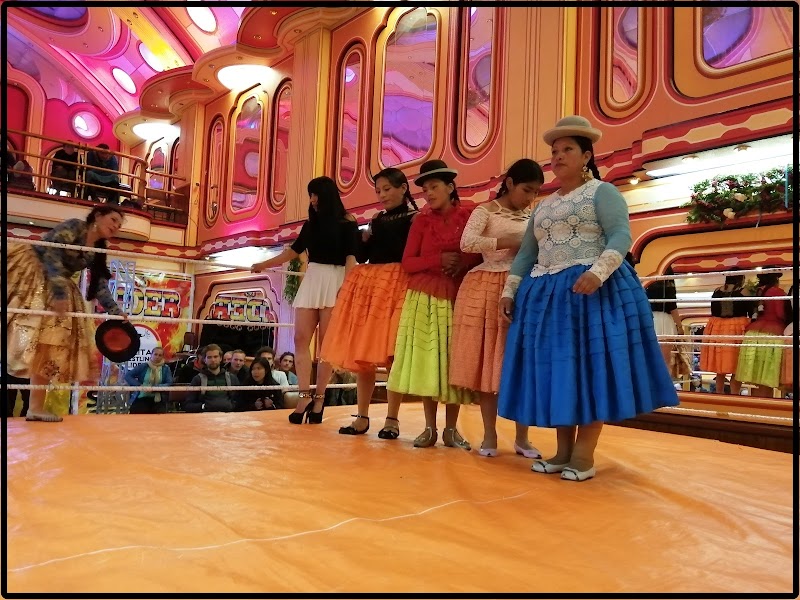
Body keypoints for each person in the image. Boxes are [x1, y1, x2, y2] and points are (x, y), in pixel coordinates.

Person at [497, 115, 678, 481]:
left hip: (593, 293)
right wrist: (509, 290)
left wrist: (597, 273)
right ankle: (562, 452)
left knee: (591, 370)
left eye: (567, 150)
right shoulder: (544, 206)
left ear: (586, 156)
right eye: (554, 151)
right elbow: (526, 254)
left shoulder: (603, 192)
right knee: (560, 370)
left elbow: (620, 236)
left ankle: (583, 455)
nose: (558, 156)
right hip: (547, 297)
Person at [450, 159, 544, 458]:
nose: (530, 197)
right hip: (486, 284)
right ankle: (489, 435)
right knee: (487, 364)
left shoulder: (533, 214)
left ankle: (522, 437)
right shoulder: (485, 210)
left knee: (520, 363)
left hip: (523, 285)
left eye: (535, 192)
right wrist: (505, 241)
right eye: (527, 190)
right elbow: (467, 243)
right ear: (511, 183)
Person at [386, 159, 481, 449]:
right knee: (428, 363)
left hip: (458, 296)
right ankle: (430, 427)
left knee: (454, 363)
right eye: (425, 189)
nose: (429, 193)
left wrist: (461, 262)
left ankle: (451, 428)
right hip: (425, 297)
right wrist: (438, 260)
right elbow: (408, 262)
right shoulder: (421, 222)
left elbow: (478, 253)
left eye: (434, 187)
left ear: (450, 187)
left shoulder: (469, 216)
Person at [319, 167, 418, 437]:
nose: (382, 195)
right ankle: (362, 416)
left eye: (387, 189)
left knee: (393, 356)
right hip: (372, 287)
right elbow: (363, 255)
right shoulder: (376, 219)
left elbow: (410, 253)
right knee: (364, 356)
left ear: (403, 188)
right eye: (378, 191)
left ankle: (392, 420)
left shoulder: (415, 218)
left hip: (399, 284)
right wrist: (359, 236)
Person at [252, 176, 358, 424]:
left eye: (315, 194)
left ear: (326, 195)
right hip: (313, 277)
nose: (312, 200)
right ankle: (304, 395)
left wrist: (347, 287)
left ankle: (319, 398)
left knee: (326, 347)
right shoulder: (310, 224)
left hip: (336, 278)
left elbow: (352, 257)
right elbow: (294, 250)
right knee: (300, 338)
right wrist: (264, 264)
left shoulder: (348, 223)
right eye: (310, 195)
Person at [6, 205, 128, 422]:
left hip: (59, 286)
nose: (116, 226)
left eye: (119, 224)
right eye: (113, 220)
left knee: (49, 344)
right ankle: (34, 406)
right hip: (36, 274)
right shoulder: (75, 227)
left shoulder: (98, 249)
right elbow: (51, 252)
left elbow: (99, 286)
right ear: (98, 216)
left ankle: (34, 407)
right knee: (25, 332)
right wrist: (59, 290)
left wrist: (116, 311)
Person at [700, 269, 754, 395]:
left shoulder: (717, 291)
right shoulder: (744, 291)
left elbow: (713, 311)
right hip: (737, 328)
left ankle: (719, 393)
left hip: (718, 328)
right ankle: (735, 395)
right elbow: (750, 311)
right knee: (736, 365)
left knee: (720, 365)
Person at [736, 270, 788, 397]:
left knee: (758, 378)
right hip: (771, 335)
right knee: (767, 376)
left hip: (753, 334)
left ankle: (757, 406)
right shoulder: (777, 292)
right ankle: (766, 408)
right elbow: (780, 313)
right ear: (775, 280)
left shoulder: (757, 292)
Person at [646, 267, 691, 380]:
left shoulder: (647, 284)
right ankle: (664, 386)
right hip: (665, 321)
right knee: (665, 359)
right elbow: (673, 308)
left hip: (649, 319)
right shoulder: (668, 287)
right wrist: (680, 327)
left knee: (649, 357)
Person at [185, 344, 240, 412]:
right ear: (204, 360)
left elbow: (239, 400)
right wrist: (203, 406)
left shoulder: (232, 378)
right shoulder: (197, 379)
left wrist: (231, 406)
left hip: (228, 416)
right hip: (205, 416)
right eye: (209, 357)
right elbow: (188, 405)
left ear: (220, 358)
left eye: (215, 357)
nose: (213, 360)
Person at [125, 346, 174, 414]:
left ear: (162, 357)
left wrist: (155, 388)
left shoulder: (166, 368)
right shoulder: (144, 366)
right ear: (151, 355)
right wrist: (140, 385)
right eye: (155, 354)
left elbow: (169, 383)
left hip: (158, 399)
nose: (157, 357)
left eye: (160, 355)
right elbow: (128, 376)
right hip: (142, 397)